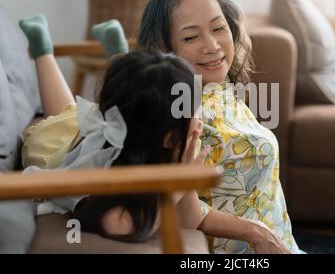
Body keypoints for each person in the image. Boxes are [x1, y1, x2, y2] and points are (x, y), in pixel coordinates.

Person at [19, 14, 292, 253]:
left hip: (118, 126)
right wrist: (178, 186)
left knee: (131, 93)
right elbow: (123, 225)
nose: (200, 122)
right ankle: (42, 49)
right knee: (62, 118)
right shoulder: (102, 183)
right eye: (193, 113)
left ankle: (119, 52)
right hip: (57, 150)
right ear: (168, 137)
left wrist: (183, 181)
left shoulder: (156, 141)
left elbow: (192, 215)